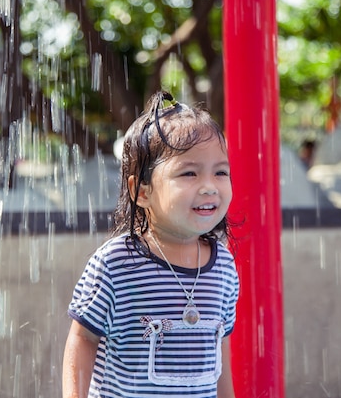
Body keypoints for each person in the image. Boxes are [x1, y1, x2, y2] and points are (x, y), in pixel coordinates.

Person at [62, 90, 239, 398]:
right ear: (141, 191)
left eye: (220, 172)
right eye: (189, 173)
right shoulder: (117, 263)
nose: (209, 186)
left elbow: (219, 349)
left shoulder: (222, 265)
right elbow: (83, 339)